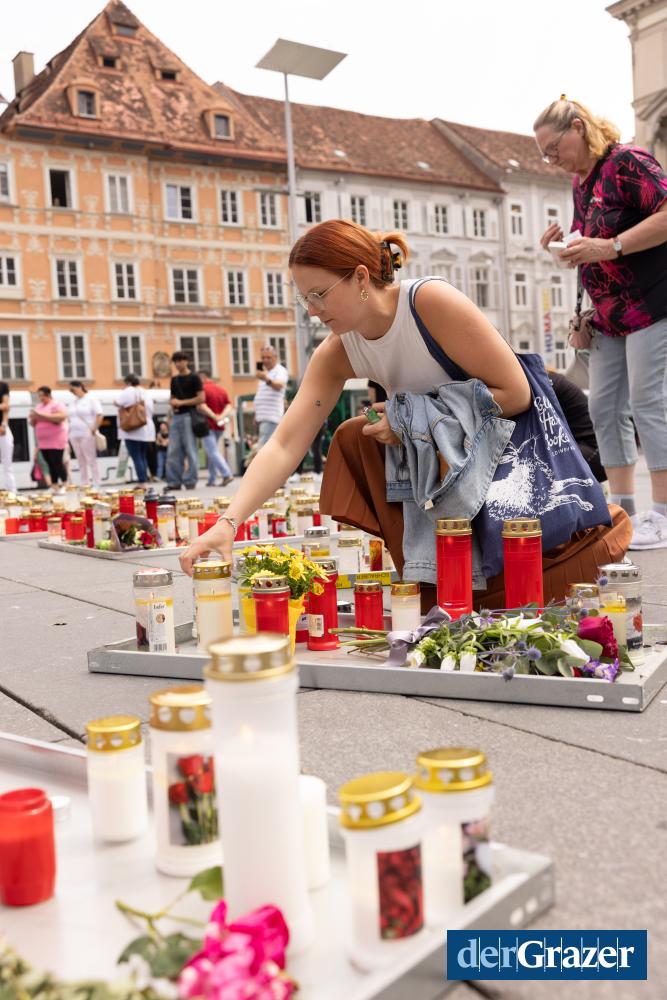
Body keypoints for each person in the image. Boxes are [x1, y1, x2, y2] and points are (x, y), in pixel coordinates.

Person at [179, 219, 630, 607]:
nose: (312, 312)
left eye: (318, 294)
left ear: (360, 277)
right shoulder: (338, 350)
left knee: (531, 584)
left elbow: (515, 393)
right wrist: (228, 524)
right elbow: (284, 443)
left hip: (509, 452)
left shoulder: (429, 302)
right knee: (355, 436)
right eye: (304, 299)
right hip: (449, 468)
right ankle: (434, 569)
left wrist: (411, 418)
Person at [534, 96, 667, 550]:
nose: (552, 160)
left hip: (651, 304)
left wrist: (610, 247)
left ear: (578, 127)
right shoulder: (582, 182)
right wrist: (565, 248)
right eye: (545, 155)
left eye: (554, 149)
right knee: (605, 409)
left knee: (648, 402)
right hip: (608, 315)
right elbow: (591, 242)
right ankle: (622, 511)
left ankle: (662, 515)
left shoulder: (627, 162)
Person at [548, 370, 604, 483]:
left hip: (592, 449)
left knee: (537, 465)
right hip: (592, 448)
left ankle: (588, 488)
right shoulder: (546, 379)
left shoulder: (546, 384)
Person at [165, 352, 204, 491]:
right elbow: (172, 397)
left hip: (189, 415)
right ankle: (174, 481)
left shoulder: (195, 378)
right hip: (176, 416)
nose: (177, 364)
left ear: (186, 361)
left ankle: (190, 480)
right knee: (173, 450)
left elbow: (201, 398)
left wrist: (181, 402)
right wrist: (173, 402)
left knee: (191, 449)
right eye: (175, 361)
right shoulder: (174, 380)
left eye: (180, 361)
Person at [114, 373, 154, 485]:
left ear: (128, 383)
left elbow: (116, 402)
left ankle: (142, 481)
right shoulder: (144, 392)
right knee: (142, 456)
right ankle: (145, 479)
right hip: (145, 428)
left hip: (132, 429)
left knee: (136, 456)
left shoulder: (129, 391)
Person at [197, 370, 234, 487]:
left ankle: (226, 474)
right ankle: (212, 478)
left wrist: (214, 416)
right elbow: (229, 405)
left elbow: (201, 405)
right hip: (220, 426)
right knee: (213, 451)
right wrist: (221, 416)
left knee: (212, 451)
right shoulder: (221, 389)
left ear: (202, 378)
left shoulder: (202, 390)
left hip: (207, 424)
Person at [29, 386, 68, 491]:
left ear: (48, 394)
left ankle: (65, 484)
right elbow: (33, 423)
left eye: (42, 395)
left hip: (56, 439)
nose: (40, 398)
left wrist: (41, 416)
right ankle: (54, 485)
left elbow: (62, 417)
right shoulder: (39, 407)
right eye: (39, 396)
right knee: (49, 463)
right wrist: (33, 417)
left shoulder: (57, 404)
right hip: (43, 441)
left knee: (57, 462)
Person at [67, 380, 103, 486]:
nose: (72, 392)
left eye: (73, 389)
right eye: (71, 390)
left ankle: (96, 482)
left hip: (87, 432)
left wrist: (94, 428)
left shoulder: (91, 398)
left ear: (80, 387)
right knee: (80, 459)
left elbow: (99, 414)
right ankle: (85, 483)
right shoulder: (73, 402)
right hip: (74, 434)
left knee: (91, 458)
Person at [253, 345, 288, 446]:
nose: (265, 360)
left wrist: (266, 379)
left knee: (263, 448)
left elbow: (279, 385)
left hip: (271, 417)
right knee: (266, 446)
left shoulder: (280, 370)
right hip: (263, 417)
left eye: (268, 357)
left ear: (275, 358)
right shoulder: (266, 373)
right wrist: (256, 414)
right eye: (263, 358)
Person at [0, 380, 17, 492]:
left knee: (7, 462)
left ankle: (12, 490)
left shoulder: (2, 386)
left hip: (2, 428)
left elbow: (6, 406)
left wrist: (4, 424)